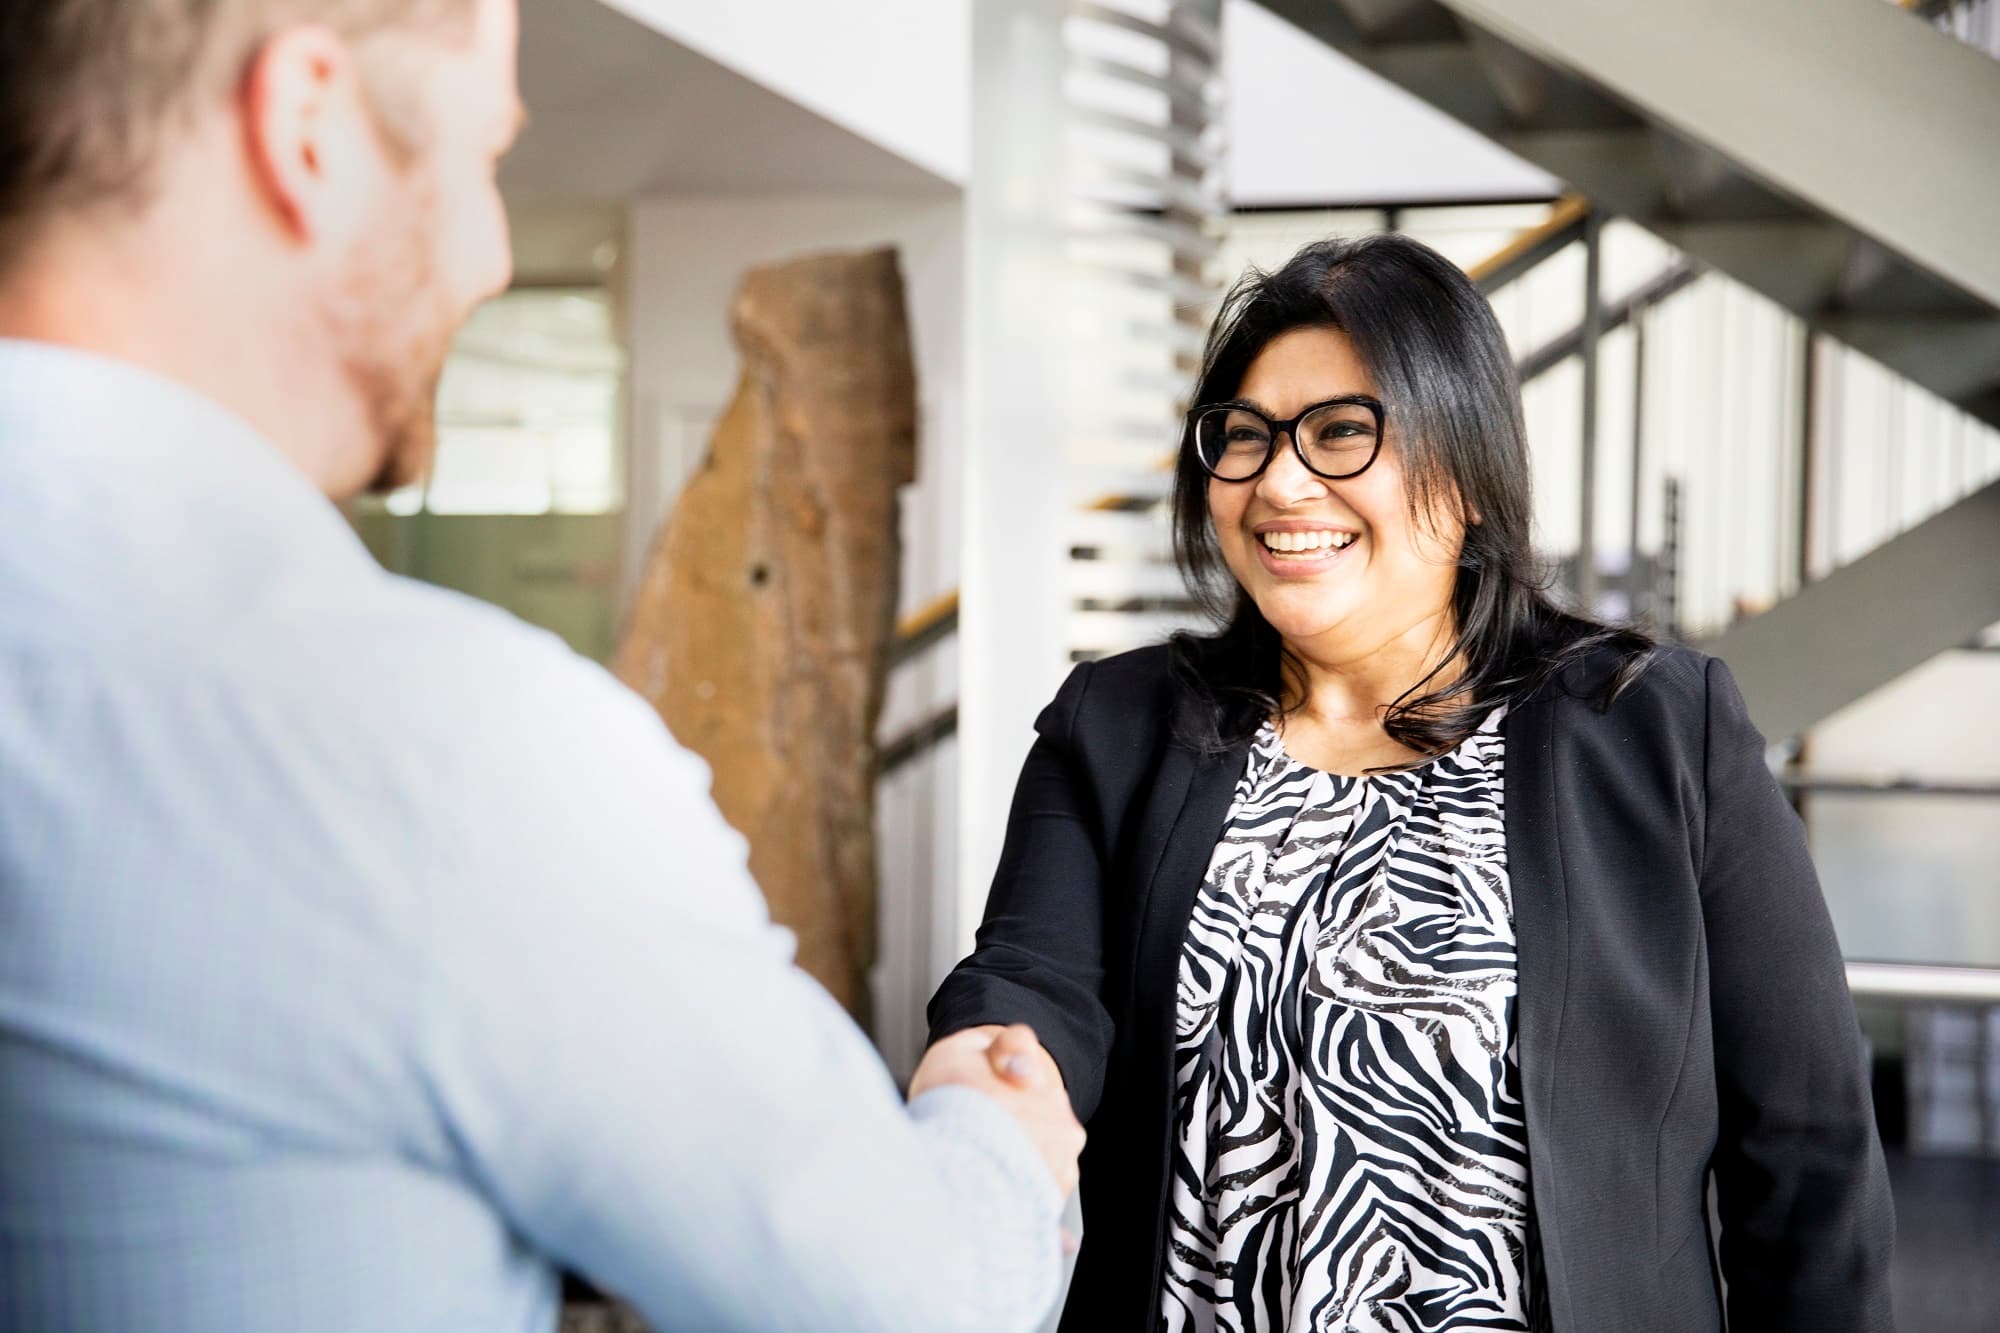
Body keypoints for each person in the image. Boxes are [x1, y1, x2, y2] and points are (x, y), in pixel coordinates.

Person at [0, 2, 1080, 1329]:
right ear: (308, 129)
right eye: (483, 163)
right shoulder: (447, 752)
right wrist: (996, 1134)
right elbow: (919, 1302)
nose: (493, 255)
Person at [921, 233, 1895, 1332]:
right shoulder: (1117, 724)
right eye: (1242, 436)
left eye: (1340, 432)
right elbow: (1029, 978)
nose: (1278, 480)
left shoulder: (1652, 728)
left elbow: (1805, 1149)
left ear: (1465, 469)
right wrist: (982, 1068)